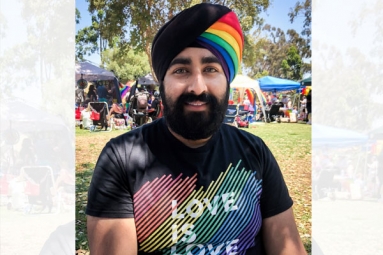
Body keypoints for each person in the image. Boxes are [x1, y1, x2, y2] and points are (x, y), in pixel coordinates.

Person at [86, 3, 306, 255]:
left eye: (211, 69)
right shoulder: (122, 158)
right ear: (162, 83)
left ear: (227, 81)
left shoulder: (255, 152)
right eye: (181, 70)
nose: (197, 87)